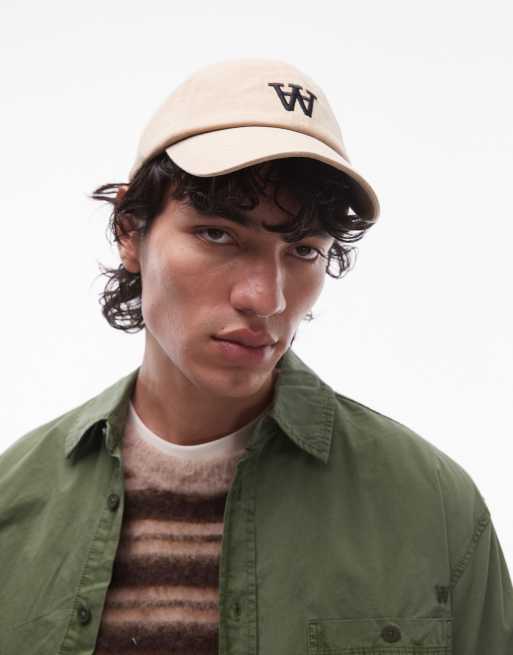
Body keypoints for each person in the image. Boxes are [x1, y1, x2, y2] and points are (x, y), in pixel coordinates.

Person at [1, 58, 511, 655]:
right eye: (218, 234)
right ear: (130, 232)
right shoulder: (15, 503)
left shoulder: (435, 509)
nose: (266, 298)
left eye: (303, 249)